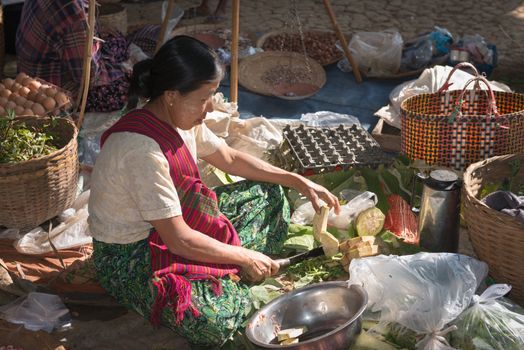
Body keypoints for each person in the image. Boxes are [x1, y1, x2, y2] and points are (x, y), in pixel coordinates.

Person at [87, 35, 340, 347]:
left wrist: (299, 180)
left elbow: (229, 158)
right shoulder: (141, 151)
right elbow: (177, 239)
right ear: (170, 95)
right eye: (203, 99)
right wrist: (244, 256)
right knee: (213, 322)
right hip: (133, 255)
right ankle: (229, 271)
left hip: (172, 228)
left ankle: (224, 266)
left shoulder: (180, 117)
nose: (208, 109)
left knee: (270, 194)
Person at [15, 0, 156, 112]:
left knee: (118, 41)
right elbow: (88, 77)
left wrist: (96, 35)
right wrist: (124, 70)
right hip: (49, 87)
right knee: (128, 87)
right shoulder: (76, 14)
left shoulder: (77, 10)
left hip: (29, 70)